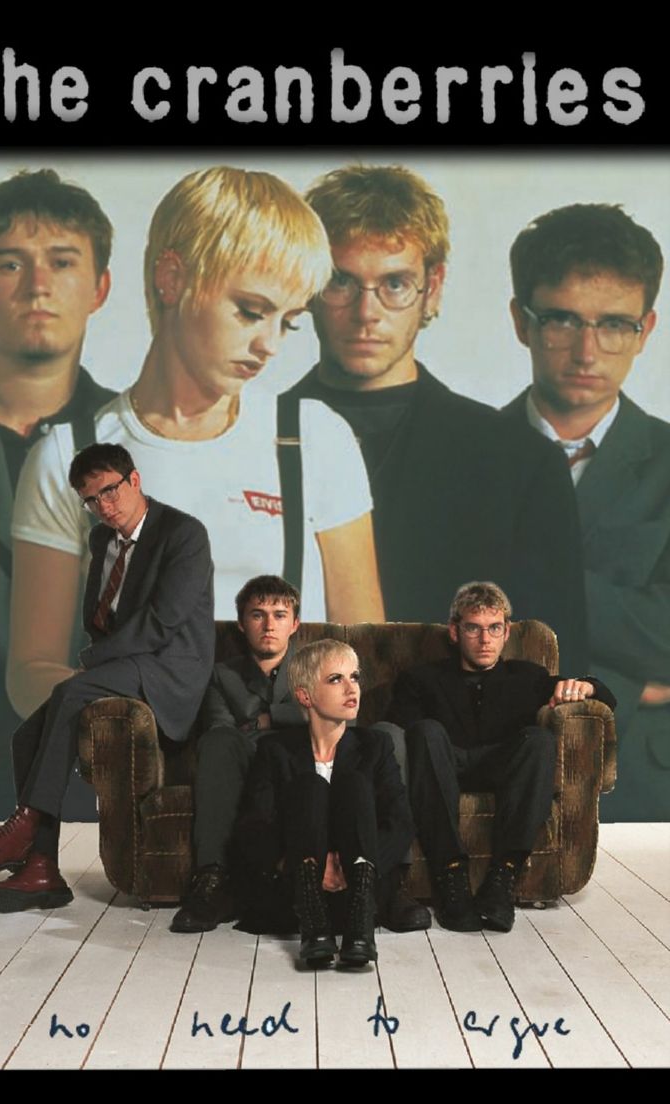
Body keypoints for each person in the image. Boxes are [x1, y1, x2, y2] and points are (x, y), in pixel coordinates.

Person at [9, 166, 384, 723]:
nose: (269, 345)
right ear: (171, 277)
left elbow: (368, 651)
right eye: (252, 311)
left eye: (289, 322)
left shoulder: (315, 438)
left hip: (286, 747)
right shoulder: (67, 455)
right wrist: (129, 724)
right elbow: (30, 671)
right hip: (142, 752)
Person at [281, 164, 588, 672]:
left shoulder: (522, 461)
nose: (367, 312)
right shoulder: (246, 439)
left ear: (434, 286)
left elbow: (561, 671)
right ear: (308, 283)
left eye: (395, 283)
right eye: (342, 281)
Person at [0, 442, 214, 913]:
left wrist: (95, 660)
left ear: (134, 481)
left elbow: (163, 623)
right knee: (25, 735)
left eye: (110, 492)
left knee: (71, 690)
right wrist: (101, 654)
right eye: (91, 500)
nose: (104, 507)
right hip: (126, 663)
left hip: (171, 669)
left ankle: (25, 826)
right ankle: (41, 870)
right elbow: (98, 612)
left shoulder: (184, 534)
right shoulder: (101, 540)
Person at [0, 169, 114, 819]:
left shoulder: (142, 439)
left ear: (99, 288)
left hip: (91, 788)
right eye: (10, 263)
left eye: (62, 263)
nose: (38, 285)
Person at [502, 203, 670, 821]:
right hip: (492, 767)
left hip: (648, 787)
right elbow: (427, 622)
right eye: (563, 320)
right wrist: (632, 686)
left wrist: (527, 585)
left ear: (646, 329)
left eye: (615, 325)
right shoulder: (458, 457)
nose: (587, 350)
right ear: (522, 321)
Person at [389, 582, 615, 934]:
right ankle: (450, 877)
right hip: (442, 769)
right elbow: (402, 733)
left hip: (502, 767)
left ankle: (502, 877)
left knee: (539, 740)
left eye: (494, 629)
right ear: (455, 631)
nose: (485, 639)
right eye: (474, 628)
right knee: (426, 732)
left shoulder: (528, 676)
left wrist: (587, 686)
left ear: (506, 632)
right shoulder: (422, 679)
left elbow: (605, 695)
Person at [236, 639, 415, 967]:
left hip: (359, 890)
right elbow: (254, 827)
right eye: (336, 679)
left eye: (355, 677)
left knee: (353, 783)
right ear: (305, 696)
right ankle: (314, 930)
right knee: (310, 786)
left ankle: (360, 930)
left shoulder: (375, 745)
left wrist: (356, 871)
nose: (352, 688)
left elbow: (399, 823)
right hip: (297, 894)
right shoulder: (276, 750)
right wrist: (300, 868)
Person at [171, 574, 304, 933]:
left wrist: (266, 717)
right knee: (218, 743)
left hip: (297, 763)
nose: (268, 625)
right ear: (242, 623)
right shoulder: (221, 675)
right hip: (245, 761)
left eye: (279, 615)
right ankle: (211, 879)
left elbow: (328, 715)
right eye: (257, 615)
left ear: (294, 624)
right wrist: (287, 720)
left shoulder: (314, 667)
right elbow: (221, 730)